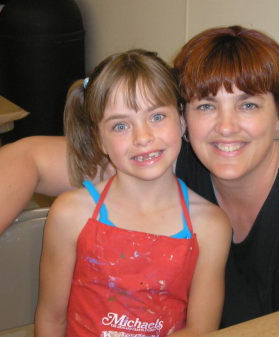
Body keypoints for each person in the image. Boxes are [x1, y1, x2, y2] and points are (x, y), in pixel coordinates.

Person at [0, 26, 279, 329]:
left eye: (248, 104)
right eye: (206, 105)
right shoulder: (166, 159)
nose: (225, 127)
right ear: (184, 117)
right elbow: (22, 158)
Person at [33, 50, 231, 336]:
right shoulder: (71, 214)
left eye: (157, 116)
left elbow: (201, 329)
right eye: (121, 125)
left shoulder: (210, 226)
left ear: (182, 120)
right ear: (98, 138)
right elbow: (51, 320)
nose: (143, 138)